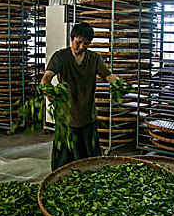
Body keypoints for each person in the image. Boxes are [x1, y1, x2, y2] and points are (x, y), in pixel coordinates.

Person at [41, 22, 118, 171]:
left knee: (90, 162)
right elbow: (46, 78)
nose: (81, 47)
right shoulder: (60, 57)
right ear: (72, 38)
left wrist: (119, 84)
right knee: (63, 164)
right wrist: (48, 91)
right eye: (78, 42)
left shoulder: (94, 58)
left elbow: (108, 75)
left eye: (86, 44)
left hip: (87, 117)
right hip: (66, 118)